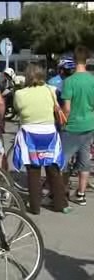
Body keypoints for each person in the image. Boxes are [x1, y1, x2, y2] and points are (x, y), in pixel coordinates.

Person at [13, 63, 71, 215]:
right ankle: (61, 203)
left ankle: (35, 206)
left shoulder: (20, 94)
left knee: (33, 171)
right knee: (53, 169)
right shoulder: (51, 90)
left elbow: (17, 109)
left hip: (29, 134)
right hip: (49, 134)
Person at [61, 45, 94, 206]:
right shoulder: (92, 80)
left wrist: (63, 123)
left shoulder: (69, 82)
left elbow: (66, 108)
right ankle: (80, 194)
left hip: (72, 126)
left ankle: (61, 192)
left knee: (62, 160)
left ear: (74, 61)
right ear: (87, 60)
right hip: (89, 125)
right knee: (84, 160)